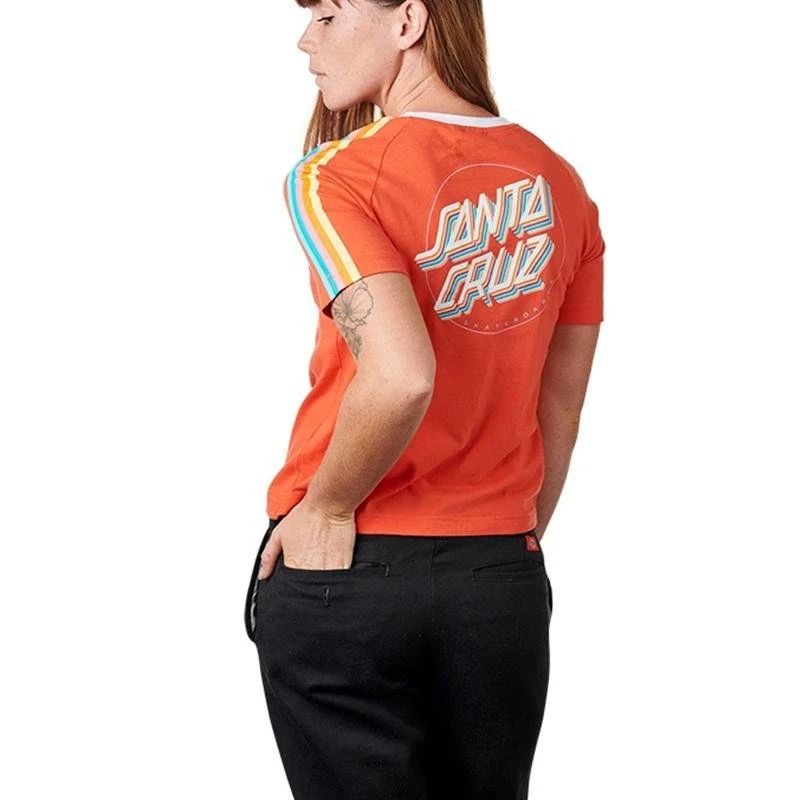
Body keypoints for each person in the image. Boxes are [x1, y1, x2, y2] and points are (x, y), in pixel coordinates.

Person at [244, 1, 605, 797]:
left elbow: (401, 373)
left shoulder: (335, 174)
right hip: (497, 581)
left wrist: (326, 508)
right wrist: (505, 544)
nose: (306, 39)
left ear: (408, 20)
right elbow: (561, 406)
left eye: (329, 14)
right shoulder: (562, 183)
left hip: (351, 566)